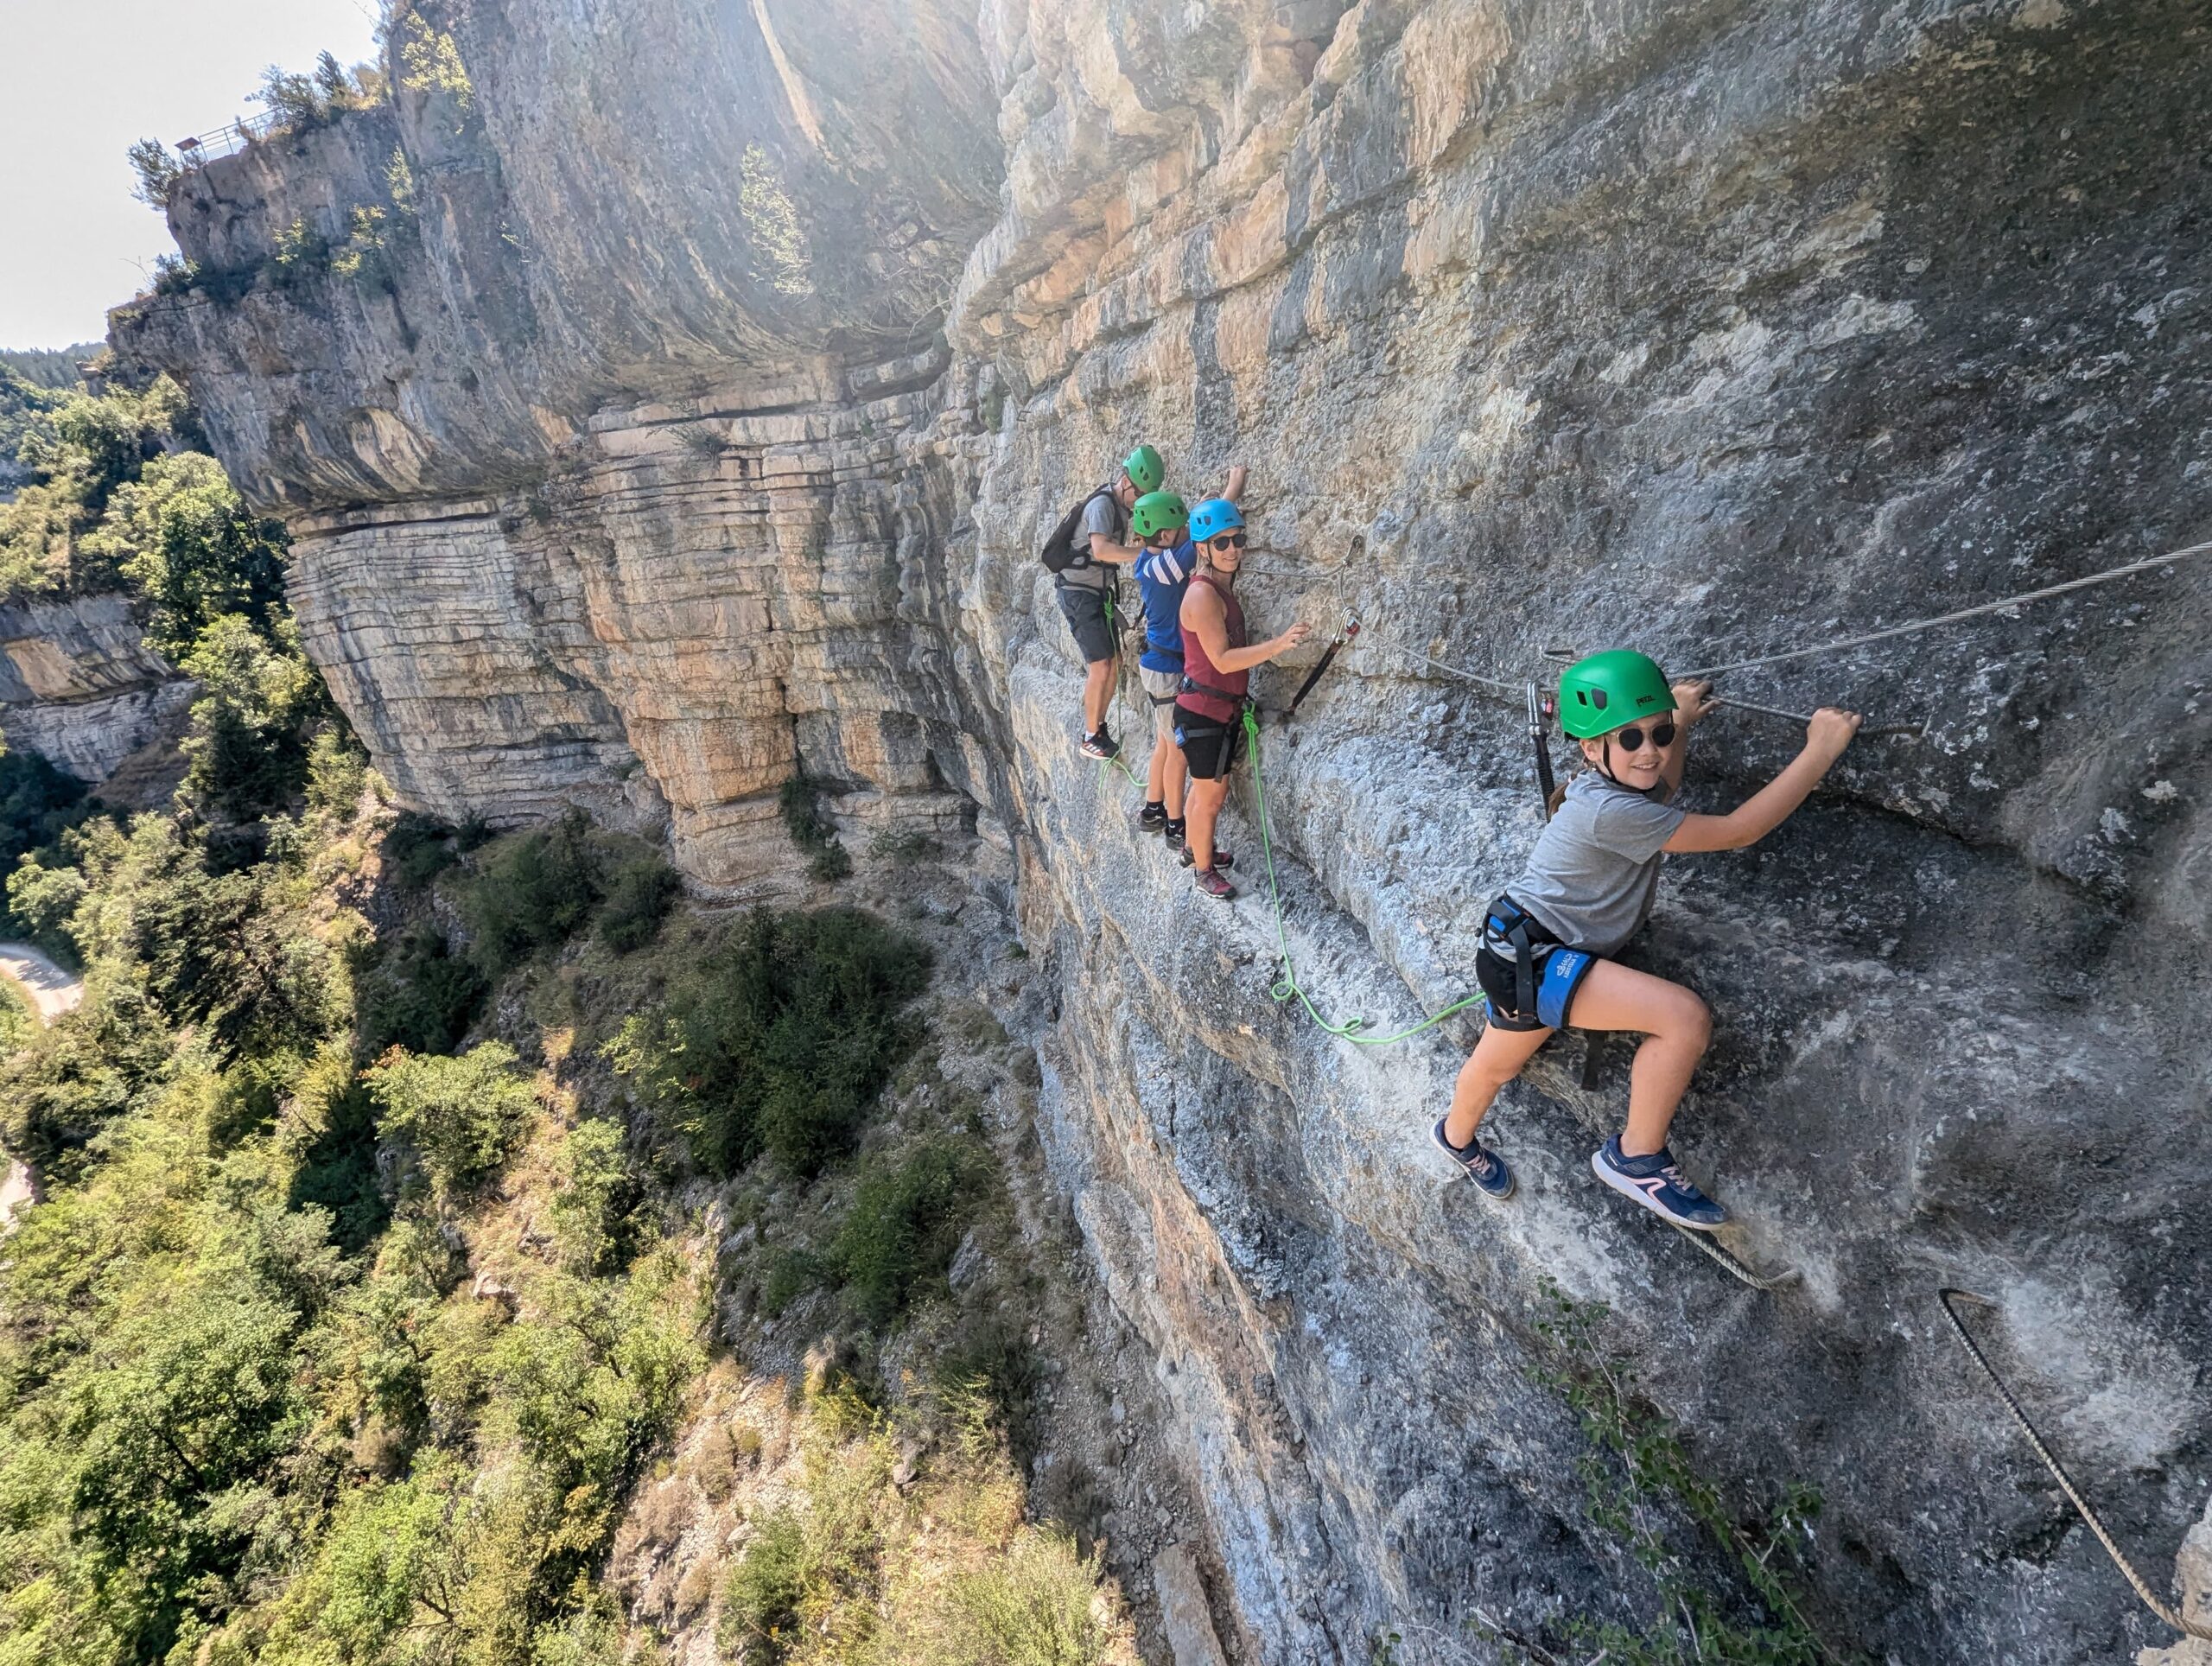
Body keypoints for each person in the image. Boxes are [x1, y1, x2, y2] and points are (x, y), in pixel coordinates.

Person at [1430, 651, 1862, 1219]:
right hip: (1534, 957)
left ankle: (1454, 1138)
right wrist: (1820, 752)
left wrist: (1678, 722)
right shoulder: (1610, 812)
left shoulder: (1611, 791)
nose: (1650, 750)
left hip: (1516, 946)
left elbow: (1660, 788)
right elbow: (1740, 830)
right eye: (1629, 739)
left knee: (1497, 1066)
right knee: (1682, 1019)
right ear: (1590, 750)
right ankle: (1635, 1158)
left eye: (1657, 732)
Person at [1173, 500, 1312, 900]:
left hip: (1214, 709)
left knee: (1207, 793)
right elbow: (1221, 658)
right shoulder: (1202, 596)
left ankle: (1195, 847)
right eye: (1222, 543)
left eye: (1238, 539)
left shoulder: (1216, 587)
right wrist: (1278, 646)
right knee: (1210, 797)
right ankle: (1203, 869)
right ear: (1203, 548)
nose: (1233, 549)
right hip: (1204, 713)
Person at [1133, 475, 1246, 850]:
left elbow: (1202, 534)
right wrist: (1233, 488)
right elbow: (1210, 534)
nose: (1184, 533)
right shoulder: (1174, 564)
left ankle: (1153, 807)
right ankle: (1176, 825)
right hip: (1167, 670)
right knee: (1177, 752)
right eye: (1179, 529)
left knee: (1164, 744)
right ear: (1165, 537)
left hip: (1156, 664)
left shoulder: (1146, 563)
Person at [1058, 444, 1164, 761]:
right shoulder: (1104, 505)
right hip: (1079, 593)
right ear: (1128, 481)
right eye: (1140, 493)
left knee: (1114, 661)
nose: (1139, 501)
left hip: (1095, 594)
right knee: (1101, 664)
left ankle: (1098, 726)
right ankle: (1090, 735)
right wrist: (1144, 554)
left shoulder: (1119, 509)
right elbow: (1102, 550)